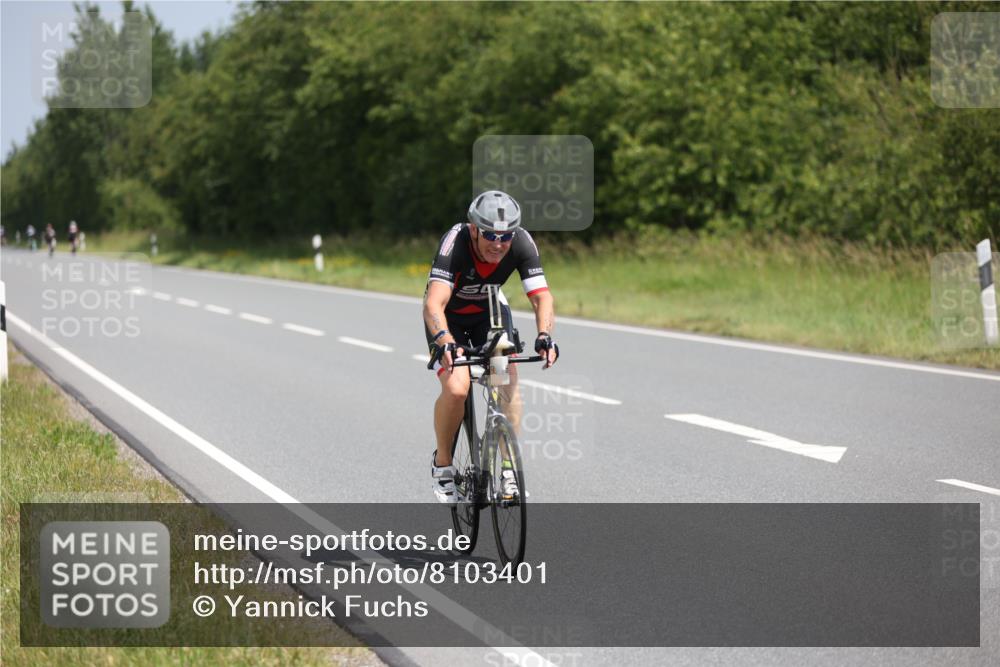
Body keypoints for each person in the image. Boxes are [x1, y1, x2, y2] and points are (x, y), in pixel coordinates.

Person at [422, 190, 560, 504]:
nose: (498, 243)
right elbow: (434, 303)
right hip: (449, 320)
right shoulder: (455, 242)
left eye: (505, 236)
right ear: (474, 229)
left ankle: (509, 471)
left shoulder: (522, 243)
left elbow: (542, 296)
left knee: (506, 379)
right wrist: (446, 342)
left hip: (490, 316)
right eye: (489, 235)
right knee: (457, 389)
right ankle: (442, 464)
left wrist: (544, 336)